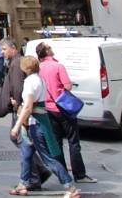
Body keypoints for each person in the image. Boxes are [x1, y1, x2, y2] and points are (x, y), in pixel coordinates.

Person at [9, 55, 79, 198]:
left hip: (35, 123)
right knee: (27, 154)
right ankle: (23, 183)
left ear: (26, 68)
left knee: (47, 158)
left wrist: (16, 126)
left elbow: (28, 106)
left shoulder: (30, 82)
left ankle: (70, 186)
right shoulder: (40, 79)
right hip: (39, 120)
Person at [36, 42, 95, 184]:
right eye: (49, 47)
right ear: (47, 52)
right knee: (73, 142)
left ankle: (63, 174)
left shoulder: (38, 68)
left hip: (49, 109)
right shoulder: (58, 66)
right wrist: (68, 85)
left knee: (56, 142)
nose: (51, 49)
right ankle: (79, 175)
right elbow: (67, 86)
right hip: (63, 108)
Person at [0, 38, 51, 191]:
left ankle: (34, 177)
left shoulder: (16, 64)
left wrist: (16, 104)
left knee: (22, 141)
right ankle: (40, 171)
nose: (2, 52)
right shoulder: (15, 63)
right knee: (23, 142)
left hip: (21, 109)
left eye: (4, 49)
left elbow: (17, 87)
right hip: (21, 108)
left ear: (13, 48)